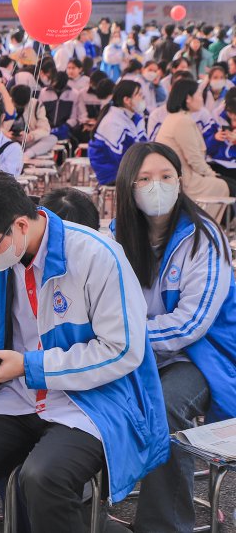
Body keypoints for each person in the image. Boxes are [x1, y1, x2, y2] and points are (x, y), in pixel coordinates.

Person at [0, 168, 169, 533]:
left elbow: (122, 349)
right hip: (18, 397)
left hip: (92, 401)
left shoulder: (96, 255)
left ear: (20, 225)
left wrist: (29, 366)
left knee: (43, 477)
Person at [112, 143, 236, 532]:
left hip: (200, 357)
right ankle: (82, 506)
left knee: (163, 405)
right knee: (83, 394)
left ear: (180, 181)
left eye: (166, 177)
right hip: (135, 352)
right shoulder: (114, 236)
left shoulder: (204, 237)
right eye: (145, 179)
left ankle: (163, 524)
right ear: (127, 187)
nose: (157, 186)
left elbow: (190, 325)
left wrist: (122, 338)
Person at [155, 78, 234, 199]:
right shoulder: (182, 121)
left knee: (229, 183)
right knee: (230, 187)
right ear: (188, 98)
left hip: (184, 177)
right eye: (199, 95)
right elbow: (194, 159)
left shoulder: (178, 118)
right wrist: (213, 175)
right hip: (186, 181)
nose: (201, 99)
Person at [88, 80, 148, 186]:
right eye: (139, 95)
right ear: (127, 100)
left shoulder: (134, 117)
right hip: (111, 172)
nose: (142, 98)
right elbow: (121, 158)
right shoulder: (113, 121)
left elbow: (144, 145)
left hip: (124, 167)